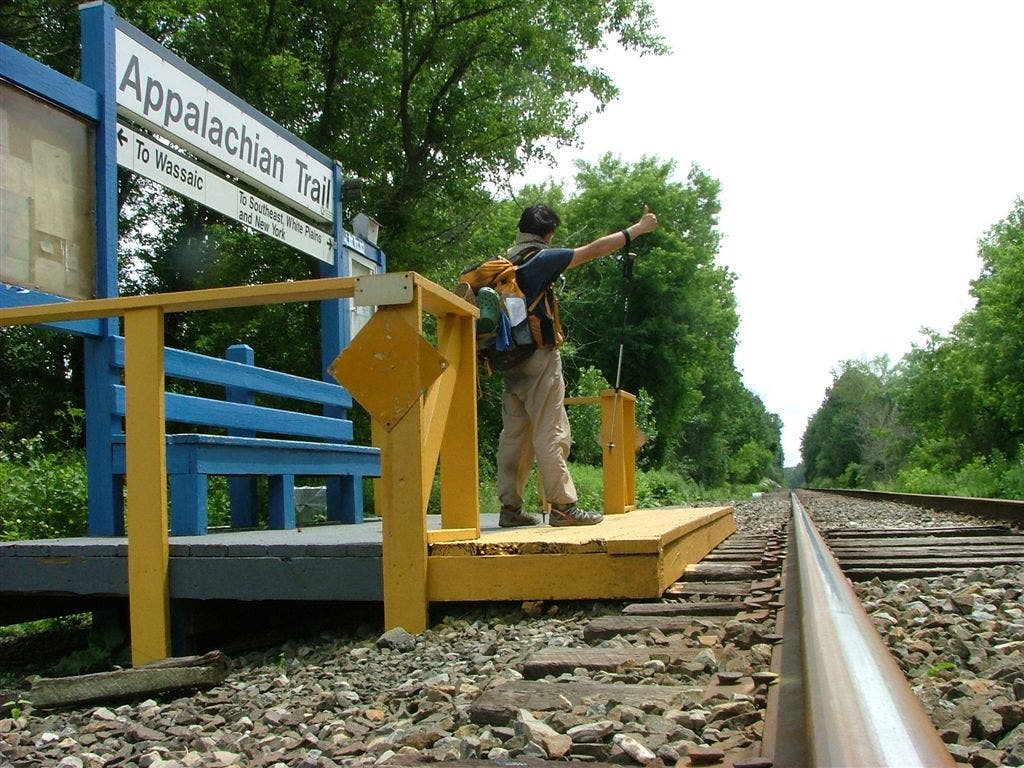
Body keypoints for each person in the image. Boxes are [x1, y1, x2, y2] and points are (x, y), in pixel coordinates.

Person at [498, 204, 658, 527]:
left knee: (514, 435)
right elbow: (595, 249)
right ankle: (562, 506)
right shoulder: (541, 258)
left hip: (508, 359)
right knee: (551, 430)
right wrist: (637, 229)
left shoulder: (505, 262)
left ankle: (510, 508)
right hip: (539, 358)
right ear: (548, 233)